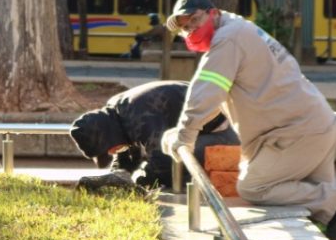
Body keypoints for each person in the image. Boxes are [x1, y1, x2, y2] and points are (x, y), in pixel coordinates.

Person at [160, 0, 336, 240]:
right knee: (325, 213)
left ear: (213, 12)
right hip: (315, 125)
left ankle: (333, 199)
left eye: (195, 20)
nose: (191, 30)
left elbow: (206, 91)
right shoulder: (241, 29)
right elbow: (217, 98)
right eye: (185, 29)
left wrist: (186, 136)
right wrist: (190, 129)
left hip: (294, 133)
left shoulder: (227, 39)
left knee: (255, 187)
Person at [70, 80, 239, 191]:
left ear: (108, 137)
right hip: (196, 128)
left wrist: (137, 181)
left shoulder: (139, 115)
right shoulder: (118, 112)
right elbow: (127, 157)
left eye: (108, 150)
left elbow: (161, 162)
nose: (113, 153)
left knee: (178, 165)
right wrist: (116, 177)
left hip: (225, 127)